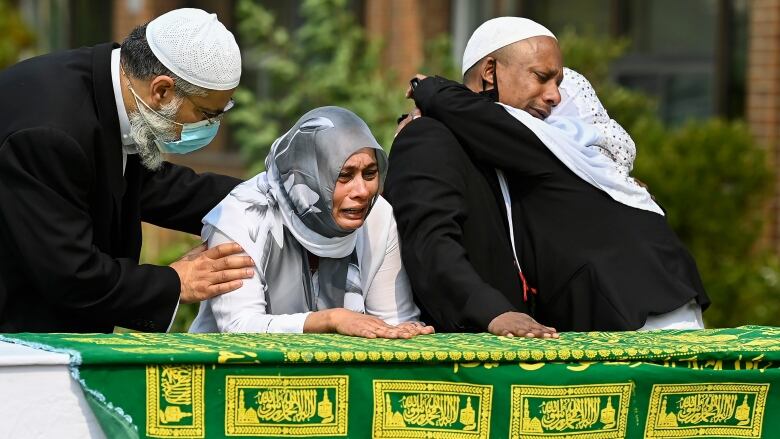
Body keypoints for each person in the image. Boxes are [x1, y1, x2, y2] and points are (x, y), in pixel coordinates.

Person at [403, 17, 709, 331]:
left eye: (559, 84)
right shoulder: (481, 139)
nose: (555, 97)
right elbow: (433, 243)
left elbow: (478, 114)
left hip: (641, 310)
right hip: (632, 308)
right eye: (541, 77)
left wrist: (430, 89)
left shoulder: (549, 136)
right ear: (490, 72)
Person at [0, 8, 256, 333]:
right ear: (162, 90)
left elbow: (154, 186)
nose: (209, 126)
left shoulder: (115, 88)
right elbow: (70, 275)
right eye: (206, 113)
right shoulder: (50, 134)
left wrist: (263, 197)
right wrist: (176, 281)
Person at [190, 107, 434, 339]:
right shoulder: (242, 215)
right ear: (306, 176)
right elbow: (238, 327)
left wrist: (405, 333)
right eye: (344, 176)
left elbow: (392, 319)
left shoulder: (377, 215)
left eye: (370, 174)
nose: (362, 191)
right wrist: (329, 320)